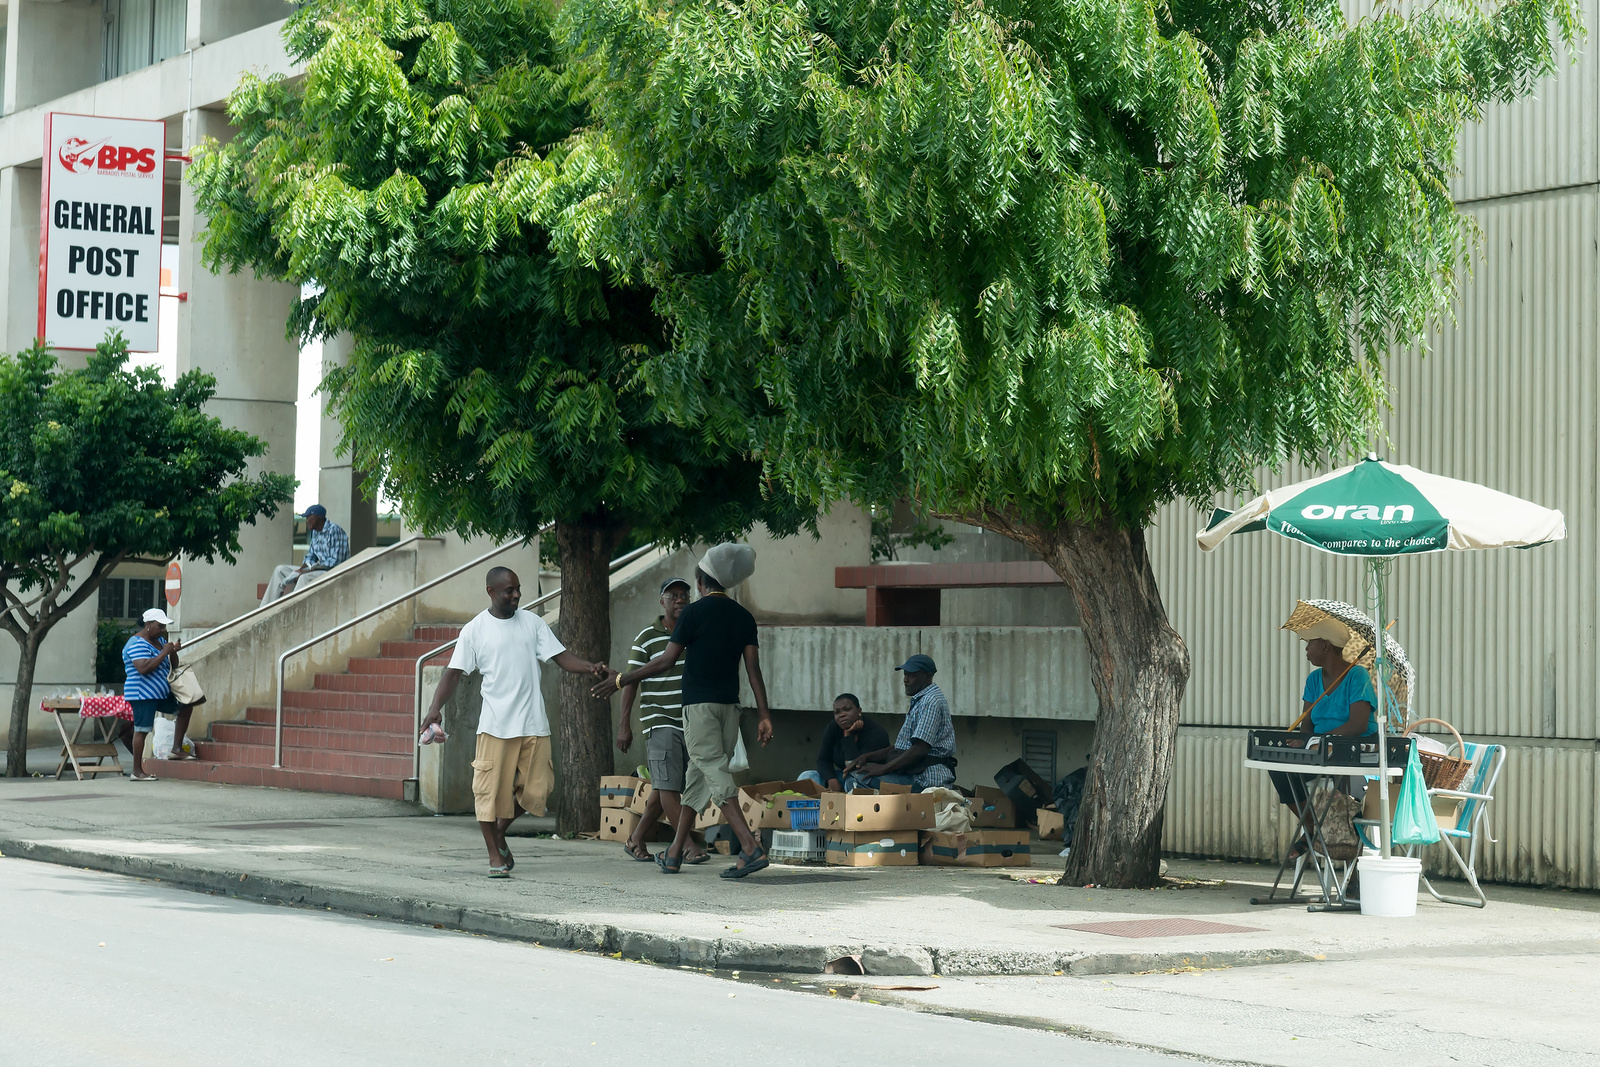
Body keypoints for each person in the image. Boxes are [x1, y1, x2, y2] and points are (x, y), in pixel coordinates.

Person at [594, 543, 774, 879]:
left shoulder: (693, 614)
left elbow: (665, 660)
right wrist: (764, 714)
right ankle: (675, 852)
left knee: (713, 771)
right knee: (696, 780)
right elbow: (753, 670)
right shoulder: (744, 617)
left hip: (699, 709)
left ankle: (750, 848)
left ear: (702, 582)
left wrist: (622, 679)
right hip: (730, 709)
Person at [421, 567, 609, 878]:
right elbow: (453, 673)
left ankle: (497, 833)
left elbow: (561, 656)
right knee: (487, 796)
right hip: (495, 726)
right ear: (491, 592)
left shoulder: (532, 623)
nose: (516, 595)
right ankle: (495, 855)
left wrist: (591, 667)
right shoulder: (475, 630)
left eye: (518, 588)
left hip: (533, 723)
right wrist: (434, 708)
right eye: (509, 590)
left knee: (538, 790)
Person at [615, 577, 709, 864]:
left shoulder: (693, 635)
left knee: (663, 787)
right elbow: (630, 681)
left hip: (690, 722)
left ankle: (635, 839)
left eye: (684, 595)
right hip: (659, 720)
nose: (680, 600)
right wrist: (624, 725)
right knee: (669, 788)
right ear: (662, 601)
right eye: (673, 595)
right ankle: (687, 845)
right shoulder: (647, 637)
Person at [1272, 624, 1378, 854]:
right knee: (1280, 770)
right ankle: (1312, 829)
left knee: (1349, 793)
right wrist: (1303, 741)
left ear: (1326, 646)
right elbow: (1307, 726)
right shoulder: (1313, 680)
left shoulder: (1357, 675)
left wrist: (1321, 740)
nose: (1307, 649)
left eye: (1310, 643)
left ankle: (1354, 870)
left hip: (1353, 751)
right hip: (1321, 750)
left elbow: (1358, 724)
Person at [844, 654, 957, 791]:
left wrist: (883, 768)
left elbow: (920, 749)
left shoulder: (930, 701)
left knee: (856, 780)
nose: (905, 680)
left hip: (926, 780)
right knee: (855, 775)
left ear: (928, 676)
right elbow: (901, 746)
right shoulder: (921, 700)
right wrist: (866, 757)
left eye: (911, 675)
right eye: (905, 674)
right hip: (915, 775)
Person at [118, 608, 184, 781]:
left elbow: (174, 665)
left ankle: (176, 749)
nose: (162, 629)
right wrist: (164, 652)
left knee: (185, 706)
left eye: (163, 626)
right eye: (159, 626)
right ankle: (137, 771)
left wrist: (172, 652)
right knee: (142, 729)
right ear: (148, 625)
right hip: (142, 693)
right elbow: (144, 668)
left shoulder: (160, 640)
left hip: (160, 692)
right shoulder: (135, 643)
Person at [798, 693, 892, 792]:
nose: (842, 715)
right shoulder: (833, 727)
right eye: (837, 712)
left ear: (859, 711)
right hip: (844, 777)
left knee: (852, 782)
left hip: (867, 781)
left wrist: (848, 736)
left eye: (847, 709)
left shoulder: (876, 733)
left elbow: (856, 768)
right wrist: (832, 780)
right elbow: (823, 760)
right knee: (807, 776)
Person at [261, 504, 350, 604]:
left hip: (332, 573)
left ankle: (290, 609)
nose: (306, 521)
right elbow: (311, 556)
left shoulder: (334, 530)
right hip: (317, 570)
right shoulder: (315, 532)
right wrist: (301, 569)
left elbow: (334, 563)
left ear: (317, 517)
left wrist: (306, 572)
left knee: (303, 578)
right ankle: (263, 610)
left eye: (308, 518)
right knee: (280, 570)